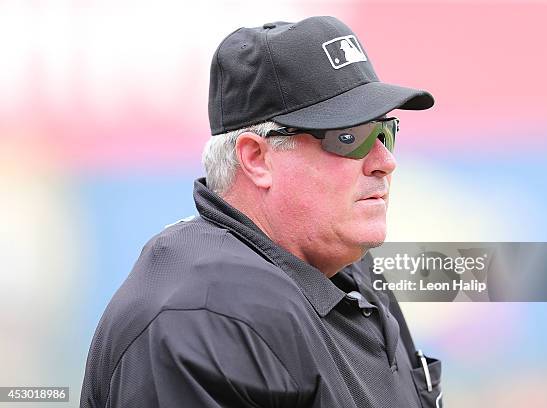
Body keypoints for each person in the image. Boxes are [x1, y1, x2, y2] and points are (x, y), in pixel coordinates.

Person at [80, 15, 442, 408]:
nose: (384, 161)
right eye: (349, 137)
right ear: (256, 159)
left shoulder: (350, 270)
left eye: (385, 132)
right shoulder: (203, 315)